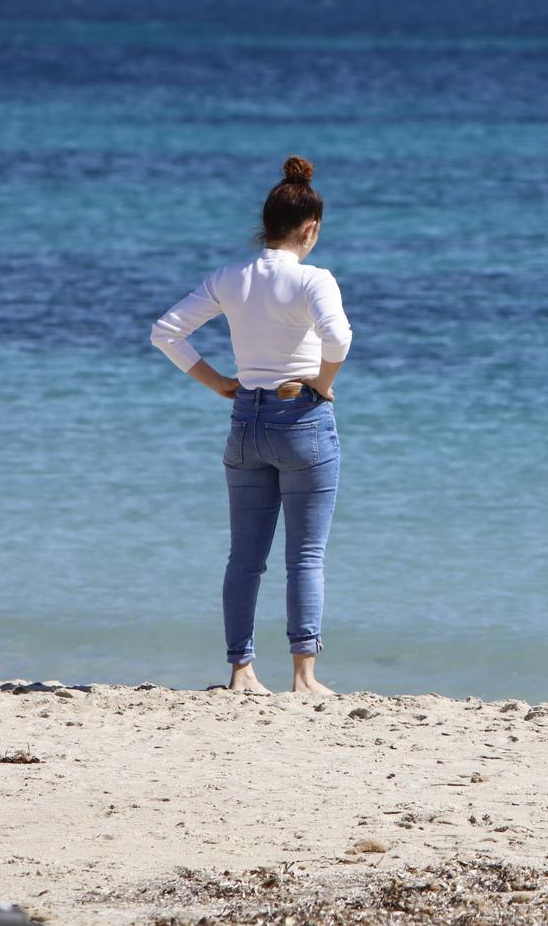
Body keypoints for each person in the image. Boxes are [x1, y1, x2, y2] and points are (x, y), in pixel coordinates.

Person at [150, 155, 352, 694]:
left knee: (245, 557)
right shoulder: (314, 279)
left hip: (246, 421)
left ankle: (241, 671)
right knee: (305, 555)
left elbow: (166, 332)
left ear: (266, 225)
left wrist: (217, 382)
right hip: (302, 420)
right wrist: (322, 381)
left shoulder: (229, 278)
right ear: (310, 228)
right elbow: (338, 339)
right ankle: (305, 677)